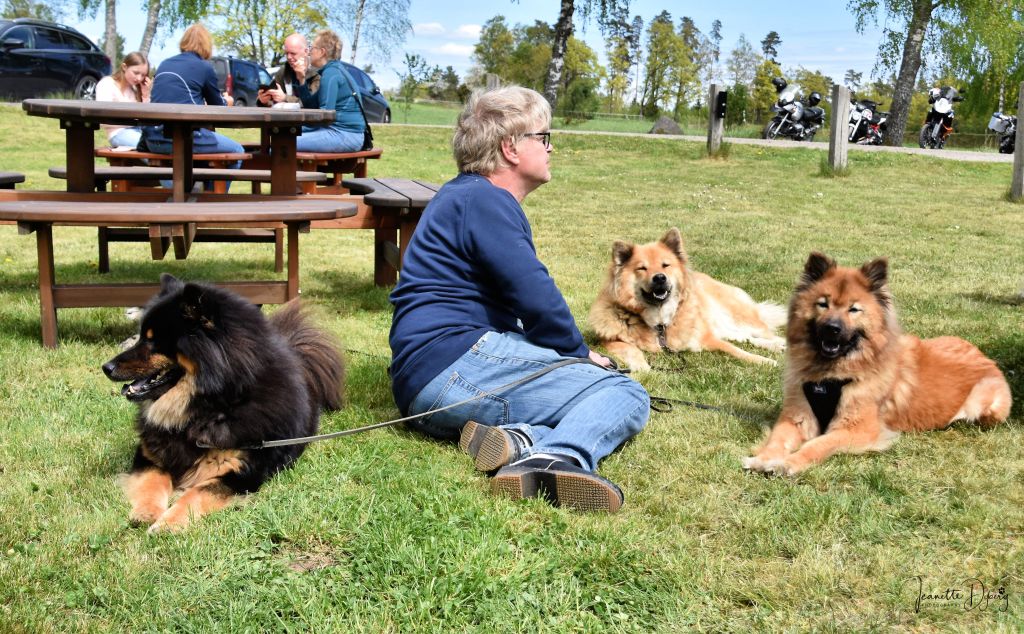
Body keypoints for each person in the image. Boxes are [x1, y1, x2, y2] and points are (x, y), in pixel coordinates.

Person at [388, 86, 650, 513]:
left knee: (572, 393)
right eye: (543, 137)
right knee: (621, 392)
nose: (551, 148)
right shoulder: (485, 200)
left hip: (422, 388)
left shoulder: (464, 196)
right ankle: (554, 457)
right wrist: (578, 352)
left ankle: (517, 440)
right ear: (510, 147)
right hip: (456, 364)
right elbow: (534, 294)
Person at [141, 23, 245, 176]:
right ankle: (212, 192)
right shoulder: (204, 67)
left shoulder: (165, 63)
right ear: (207, 45)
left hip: (152, 139)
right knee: (237, 150)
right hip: (183, 138)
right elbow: (218, 106)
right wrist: (228, 101)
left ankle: (195, 190)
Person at [292, 29, 367, 152]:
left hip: (344, 134)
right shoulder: (333, 70)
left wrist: (296, 129)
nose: (309, 51)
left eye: (312, 47)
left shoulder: (331, 74)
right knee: (284, 141)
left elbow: (325, 117)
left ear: (322, 52)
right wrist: (301, 79)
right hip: (344, 133)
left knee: (283, 144)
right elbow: (311, 106)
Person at [95, 51, 150, 148]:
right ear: (124, 67)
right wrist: (133, 120)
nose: (139, 78)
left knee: (160, 144)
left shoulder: (135, 89)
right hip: (118, 133)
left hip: (139, 131)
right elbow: (103, 118)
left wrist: (145, 95)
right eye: (136, 73)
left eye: (143, 75)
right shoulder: (107, 84)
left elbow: (147, 118)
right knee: (149, 146)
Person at [257, 33, 319, 108]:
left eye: (293, 53)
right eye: (286, 53)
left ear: (306, 52)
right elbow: (273, 99)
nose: (289, 57)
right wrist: (264, 101)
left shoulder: (317, 73)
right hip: (286, 115)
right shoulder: (283, 71)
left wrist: (285, 98)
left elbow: (313, 104)